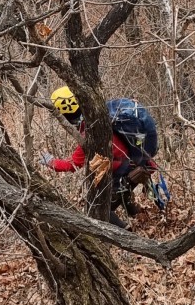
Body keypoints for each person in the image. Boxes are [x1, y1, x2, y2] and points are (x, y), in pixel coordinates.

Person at [41, 88, 169, 222]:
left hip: (125, 169)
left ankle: (125, 233)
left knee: (97, 208)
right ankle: (136, 215)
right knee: (122, 191)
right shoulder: (104, 114)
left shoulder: (90, 133)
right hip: (139, 163)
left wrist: (49, 161)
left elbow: (72, 165)